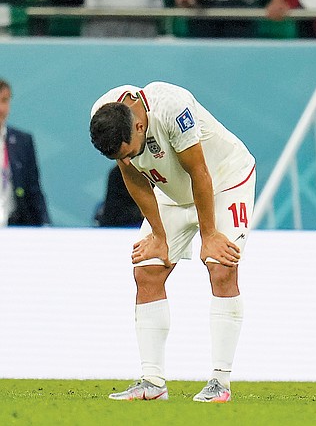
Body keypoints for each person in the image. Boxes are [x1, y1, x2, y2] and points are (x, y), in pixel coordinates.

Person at [89, 82, 256, 402]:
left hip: (224, 180)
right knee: (147, 269)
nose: (126, 160)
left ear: (139, 125)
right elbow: (132, 175)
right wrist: (159, 236)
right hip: (172, 194)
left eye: (130, 152)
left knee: (222, 266)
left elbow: (199, 172)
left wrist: (209, 236)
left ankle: (220, 382)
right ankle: (152, 382)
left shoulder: (172, 107)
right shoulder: (106, 116)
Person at [0, 79, 49, 227]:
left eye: (4, 101)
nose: (1, 108)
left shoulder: (22, 142)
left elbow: (33, 191)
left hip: (15, 229)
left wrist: (45, 226)